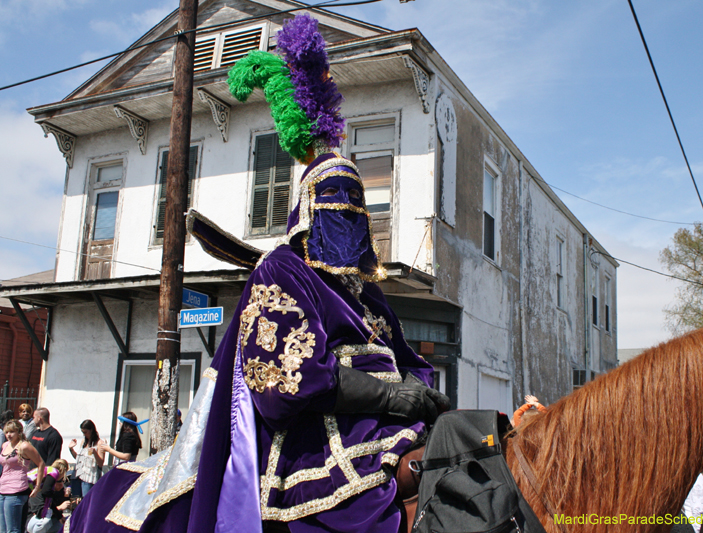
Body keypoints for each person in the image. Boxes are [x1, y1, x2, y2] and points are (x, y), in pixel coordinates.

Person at [63, 14, 447, 533]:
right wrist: (387, 394)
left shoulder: (367, 293)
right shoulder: (283, 270)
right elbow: (281, 381)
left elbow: (403, 359)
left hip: (390, 432)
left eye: (356, 201)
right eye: (335, 200)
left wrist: (425, 392)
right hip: (314, 448)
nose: (349, 212)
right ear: (309, 209)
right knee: (364, 514)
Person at [0, 420, 45, 533]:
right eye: (7, 432)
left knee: (13, 529)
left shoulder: (24, 446)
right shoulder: (5, 445)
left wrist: (37, 486)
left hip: (16, 490)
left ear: (19, 432)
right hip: (3, 489)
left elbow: (41, 463)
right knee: (2, 529)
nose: (9, 435)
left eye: (12, 432)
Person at [25, 458, 69, 533]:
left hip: (26, 489)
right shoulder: (54, 472)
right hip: (26, 488)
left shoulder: (47, 472)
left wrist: (59, 516)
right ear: (63, 470)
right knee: (47, 518)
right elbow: (46, 492)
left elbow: (48, 498)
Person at [67, 420, 104, 497]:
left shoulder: (100, 443)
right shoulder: (84, 441)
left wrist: (95, 453)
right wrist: (71, 449)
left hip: (89, 477)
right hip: (78, 474)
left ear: (91, 430)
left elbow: (100, 463)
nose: (84, 434)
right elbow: (78, 459)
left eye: (85, 432)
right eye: (82, 432)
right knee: (76, 499)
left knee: (86, 500)